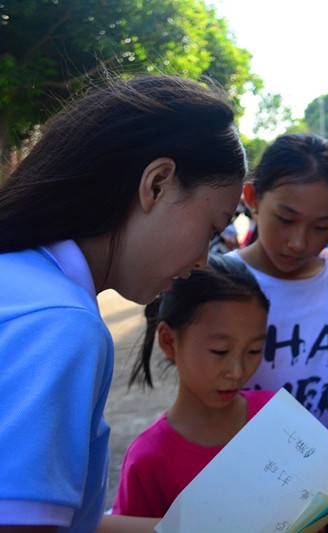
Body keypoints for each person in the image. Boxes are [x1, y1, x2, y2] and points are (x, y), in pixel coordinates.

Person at [0, 76, 247, 532]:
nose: (201, 261)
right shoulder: (62, 325)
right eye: (212, 230)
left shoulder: (20, 277)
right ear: (157, 183)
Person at [230, 134, 328, 531]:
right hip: (241, 478)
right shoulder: (218, 280)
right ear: (253, 197)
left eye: (322, 227)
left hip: (324, 482)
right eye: (286, 219)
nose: (298, 242)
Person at [113, 256, 274, 518]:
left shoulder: (275, 417)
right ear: (168, 341)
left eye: (254, 350)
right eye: (220, 351)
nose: (237, 371)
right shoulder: (149, 458)